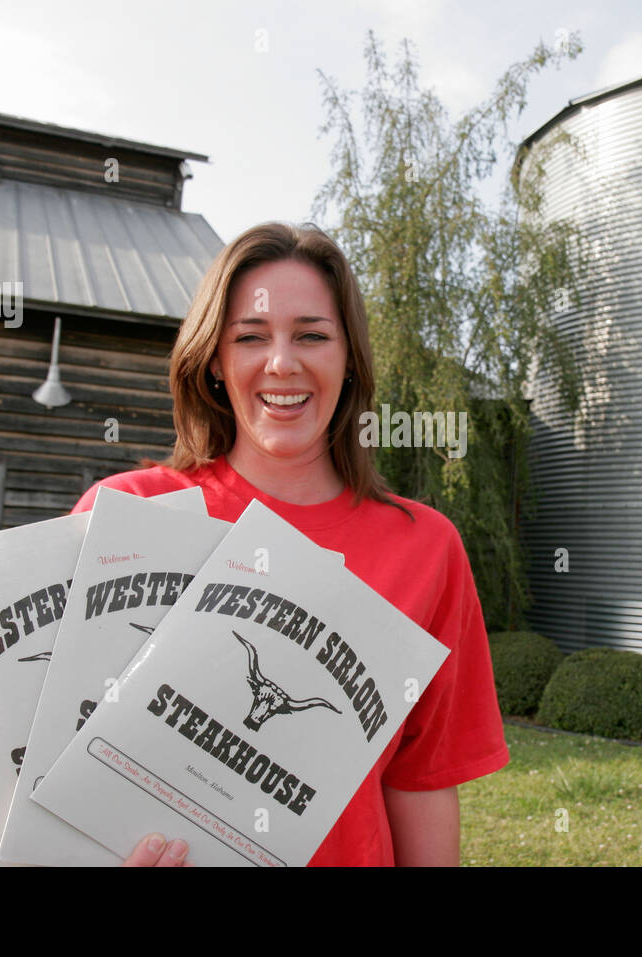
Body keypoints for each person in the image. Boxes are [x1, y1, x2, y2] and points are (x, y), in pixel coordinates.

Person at [70, 221, 509, 866]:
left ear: (349, 358)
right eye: (250, 336)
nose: (282, 362)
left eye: (312, 335)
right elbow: (48, 769)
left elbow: (419, 782)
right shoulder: (128, 513)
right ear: (215, 361)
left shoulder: (427, 549)